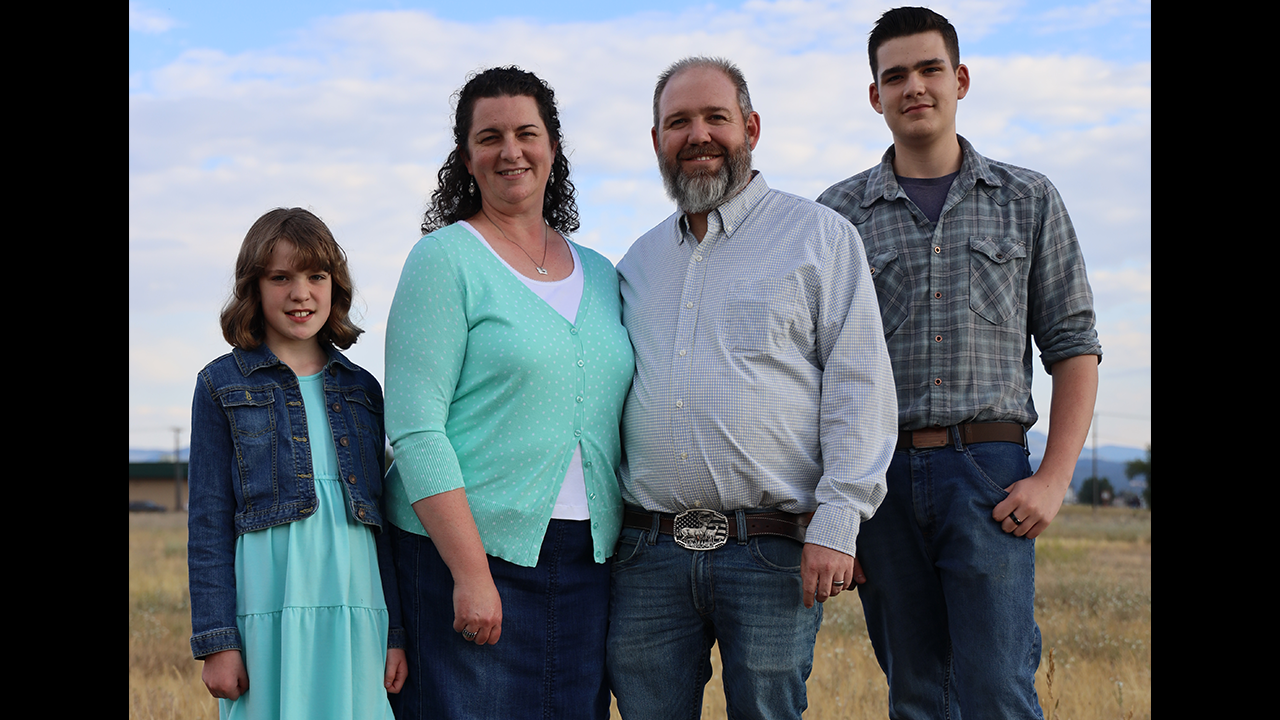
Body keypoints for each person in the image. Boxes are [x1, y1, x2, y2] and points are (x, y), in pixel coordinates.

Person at [816, 7, 1103, 719]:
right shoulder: (837, 216)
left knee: (997, 689)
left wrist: (1054, 480)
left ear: (961, 79)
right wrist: (834, 512)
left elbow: (1073, 347)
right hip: (878, 481)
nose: (914, 86)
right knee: (916, 693)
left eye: (929, 69)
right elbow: (817, 373)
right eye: (895, 75)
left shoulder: (1027, 199)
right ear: (874, 95)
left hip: (989, 475)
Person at [607, 56, 898, 720]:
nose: (698, 135)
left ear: (751, 127)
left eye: (716, 117)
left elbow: (860, 384)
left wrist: (839, 519)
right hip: (647, 555)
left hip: (769, 553)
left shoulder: (819, 238)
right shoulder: (638, 262)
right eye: (678, 122)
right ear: (657, 141)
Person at [382, 66, 634, 720]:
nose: (510, 151)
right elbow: (415, 428)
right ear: (466, 158)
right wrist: (470, 573)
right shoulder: (445, 260)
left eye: (527, 132)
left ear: (553, 147)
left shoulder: (603, 275)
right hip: (466, 560)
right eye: (489, 137)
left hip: (586, 563)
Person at [187, 207, 407, 719]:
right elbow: (208, 522)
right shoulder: (221, 385)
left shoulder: (362, 390)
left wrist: (394, 633)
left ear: (336, 286)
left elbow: (384, 525)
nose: (300, 293)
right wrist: (218, 642)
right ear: (253, 288)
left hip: (357, 602)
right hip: (269, 603)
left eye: (316, 275)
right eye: (280, 277)